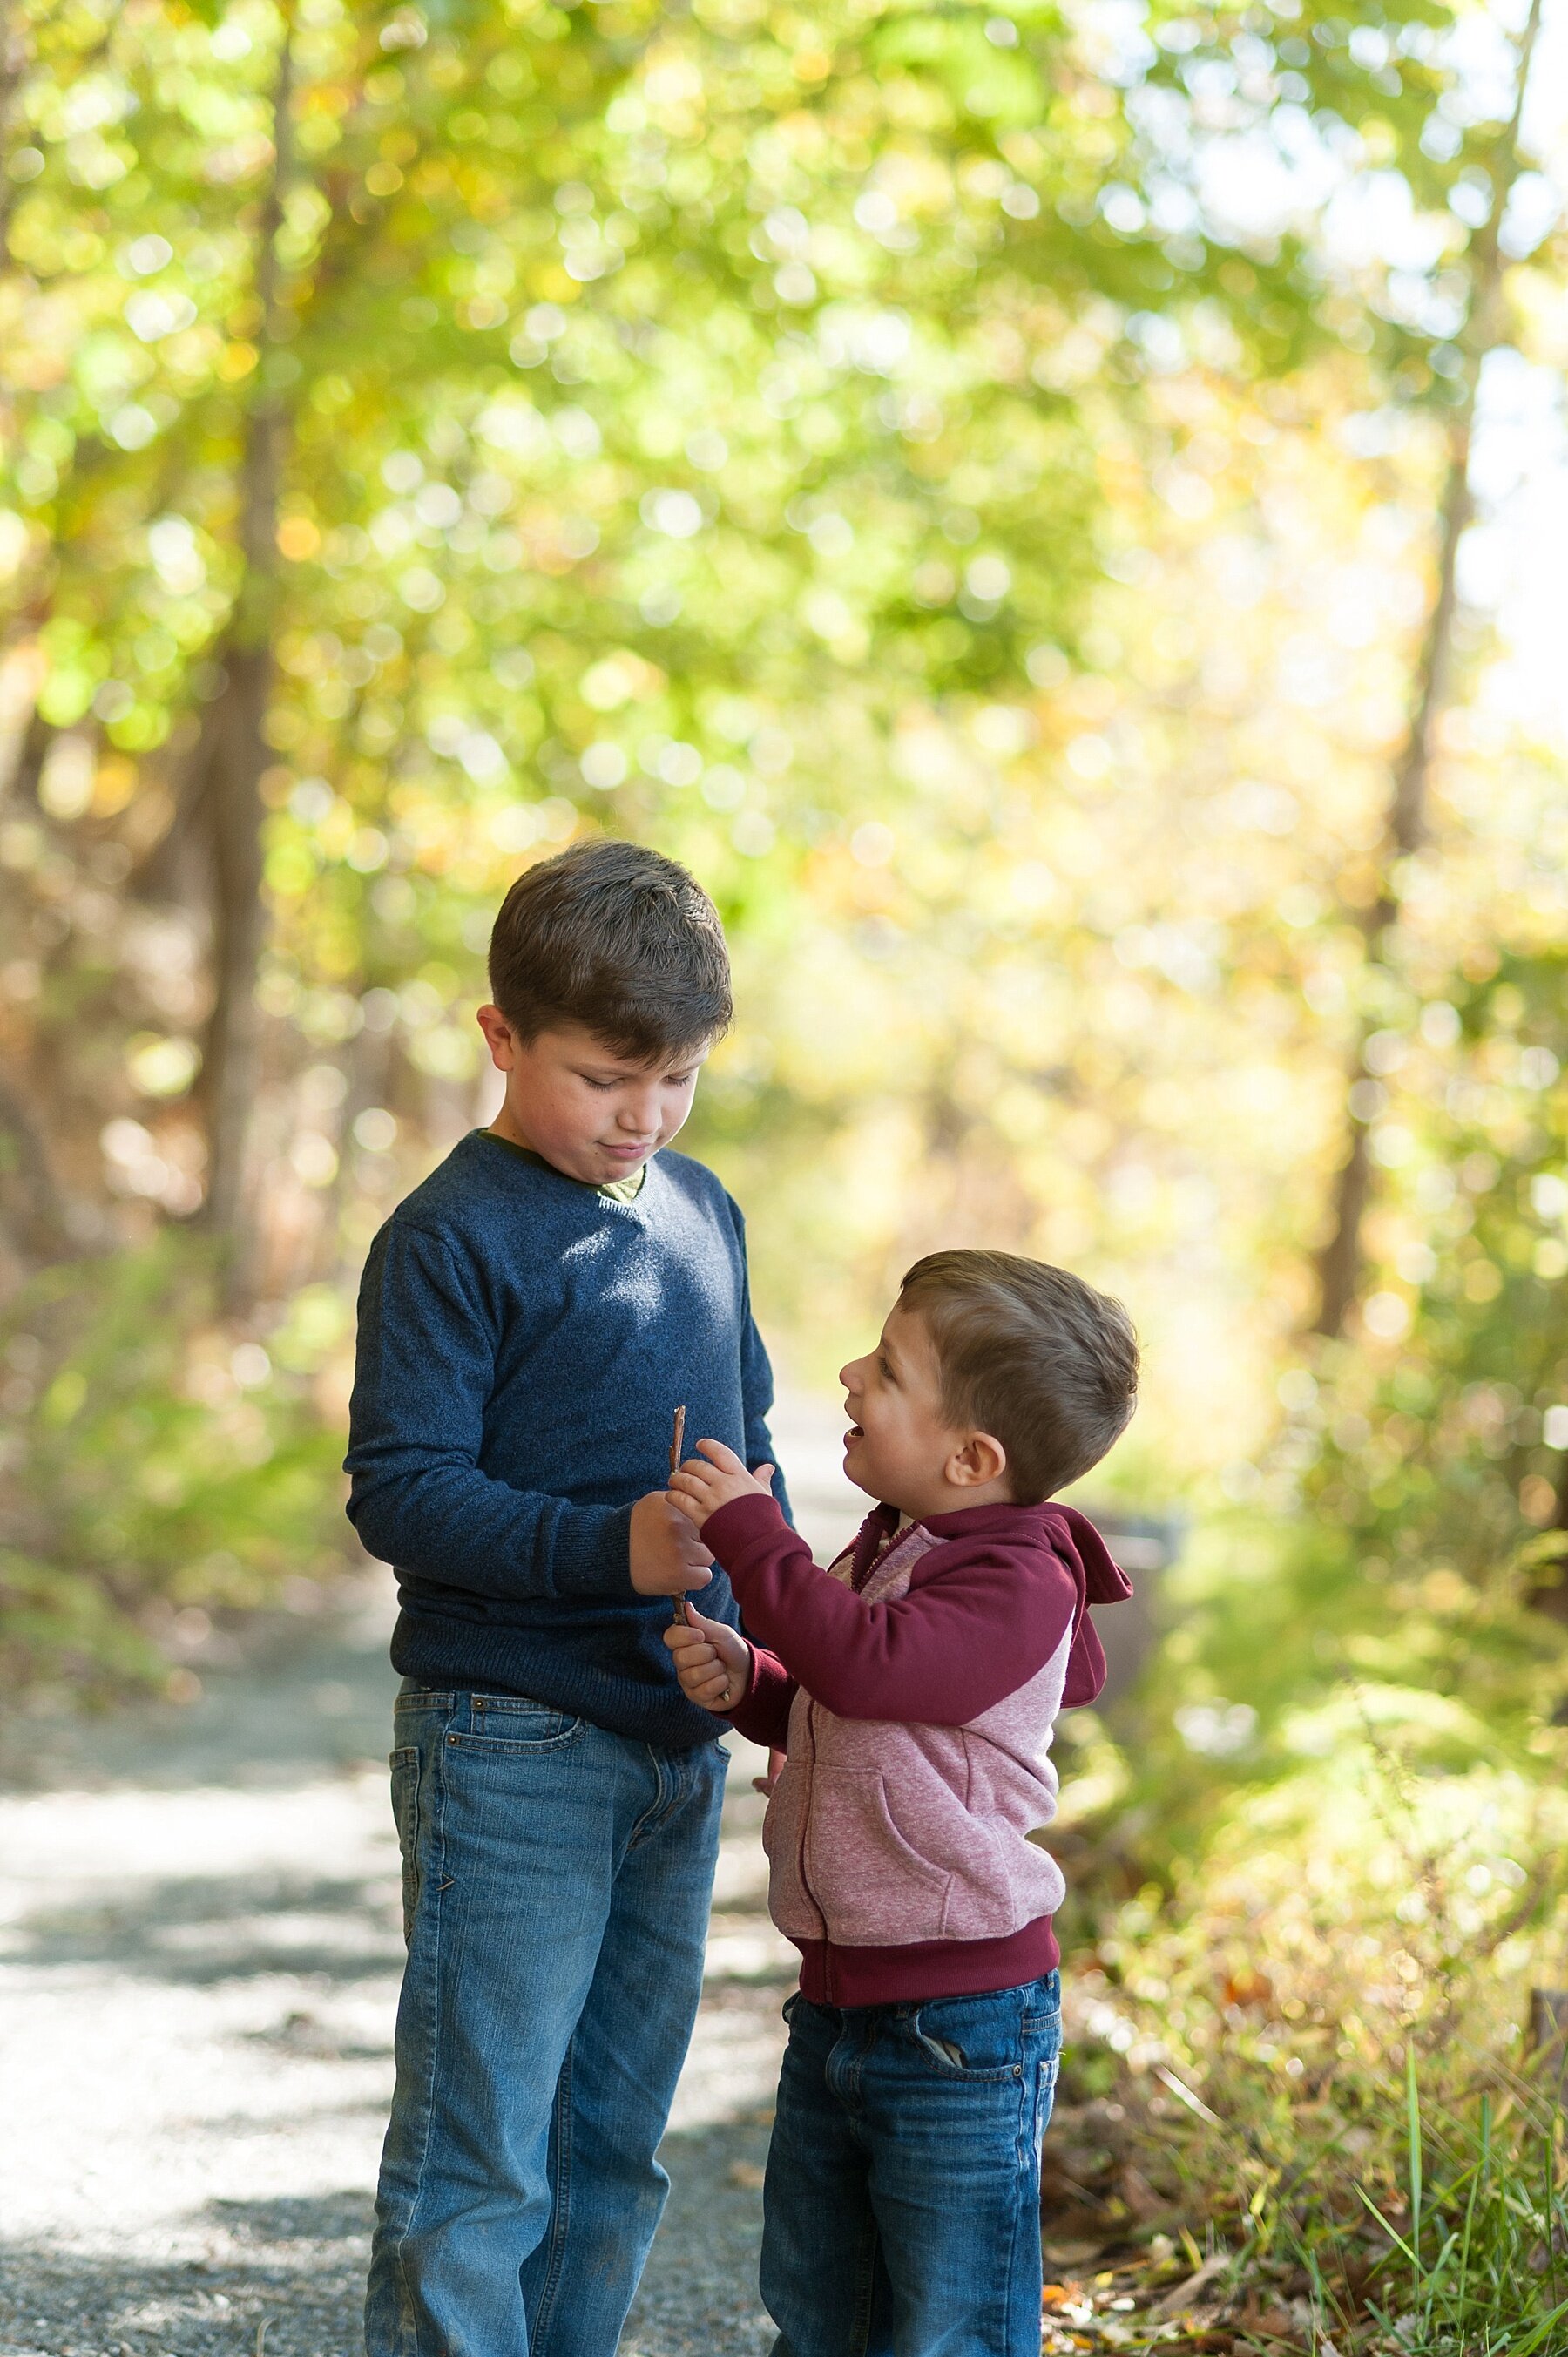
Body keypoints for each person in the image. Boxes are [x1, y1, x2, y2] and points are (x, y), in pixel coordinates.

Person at [348, 838, 787, 2357]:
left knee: (615, 2150)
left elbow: (755, 1458)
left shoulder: (704, 1212)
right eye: (606, 1078)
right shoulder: (448, 1238)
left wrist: (776, 1631)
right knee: (483, 2161)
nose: (642, 1118)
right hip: (510, 1743)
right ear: (501, 1038)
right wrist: (617, 1551)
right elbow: (401, 1490)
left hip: (676, 1742)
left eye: (675, 1082)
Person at [664, 1249, 1139, 2357]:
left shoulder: (1018, 1575)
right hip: (839, 2000)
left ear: (973, 1456)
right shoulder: (901, 1543)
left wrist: (751, 1532)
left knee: (950, 2319)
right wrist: (759, 1685)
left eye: (884, 1367)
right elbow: (871, 1714)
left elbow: (872, 1667)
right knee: (825, 2300)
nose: (848, 1374)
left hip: (959, 2023)